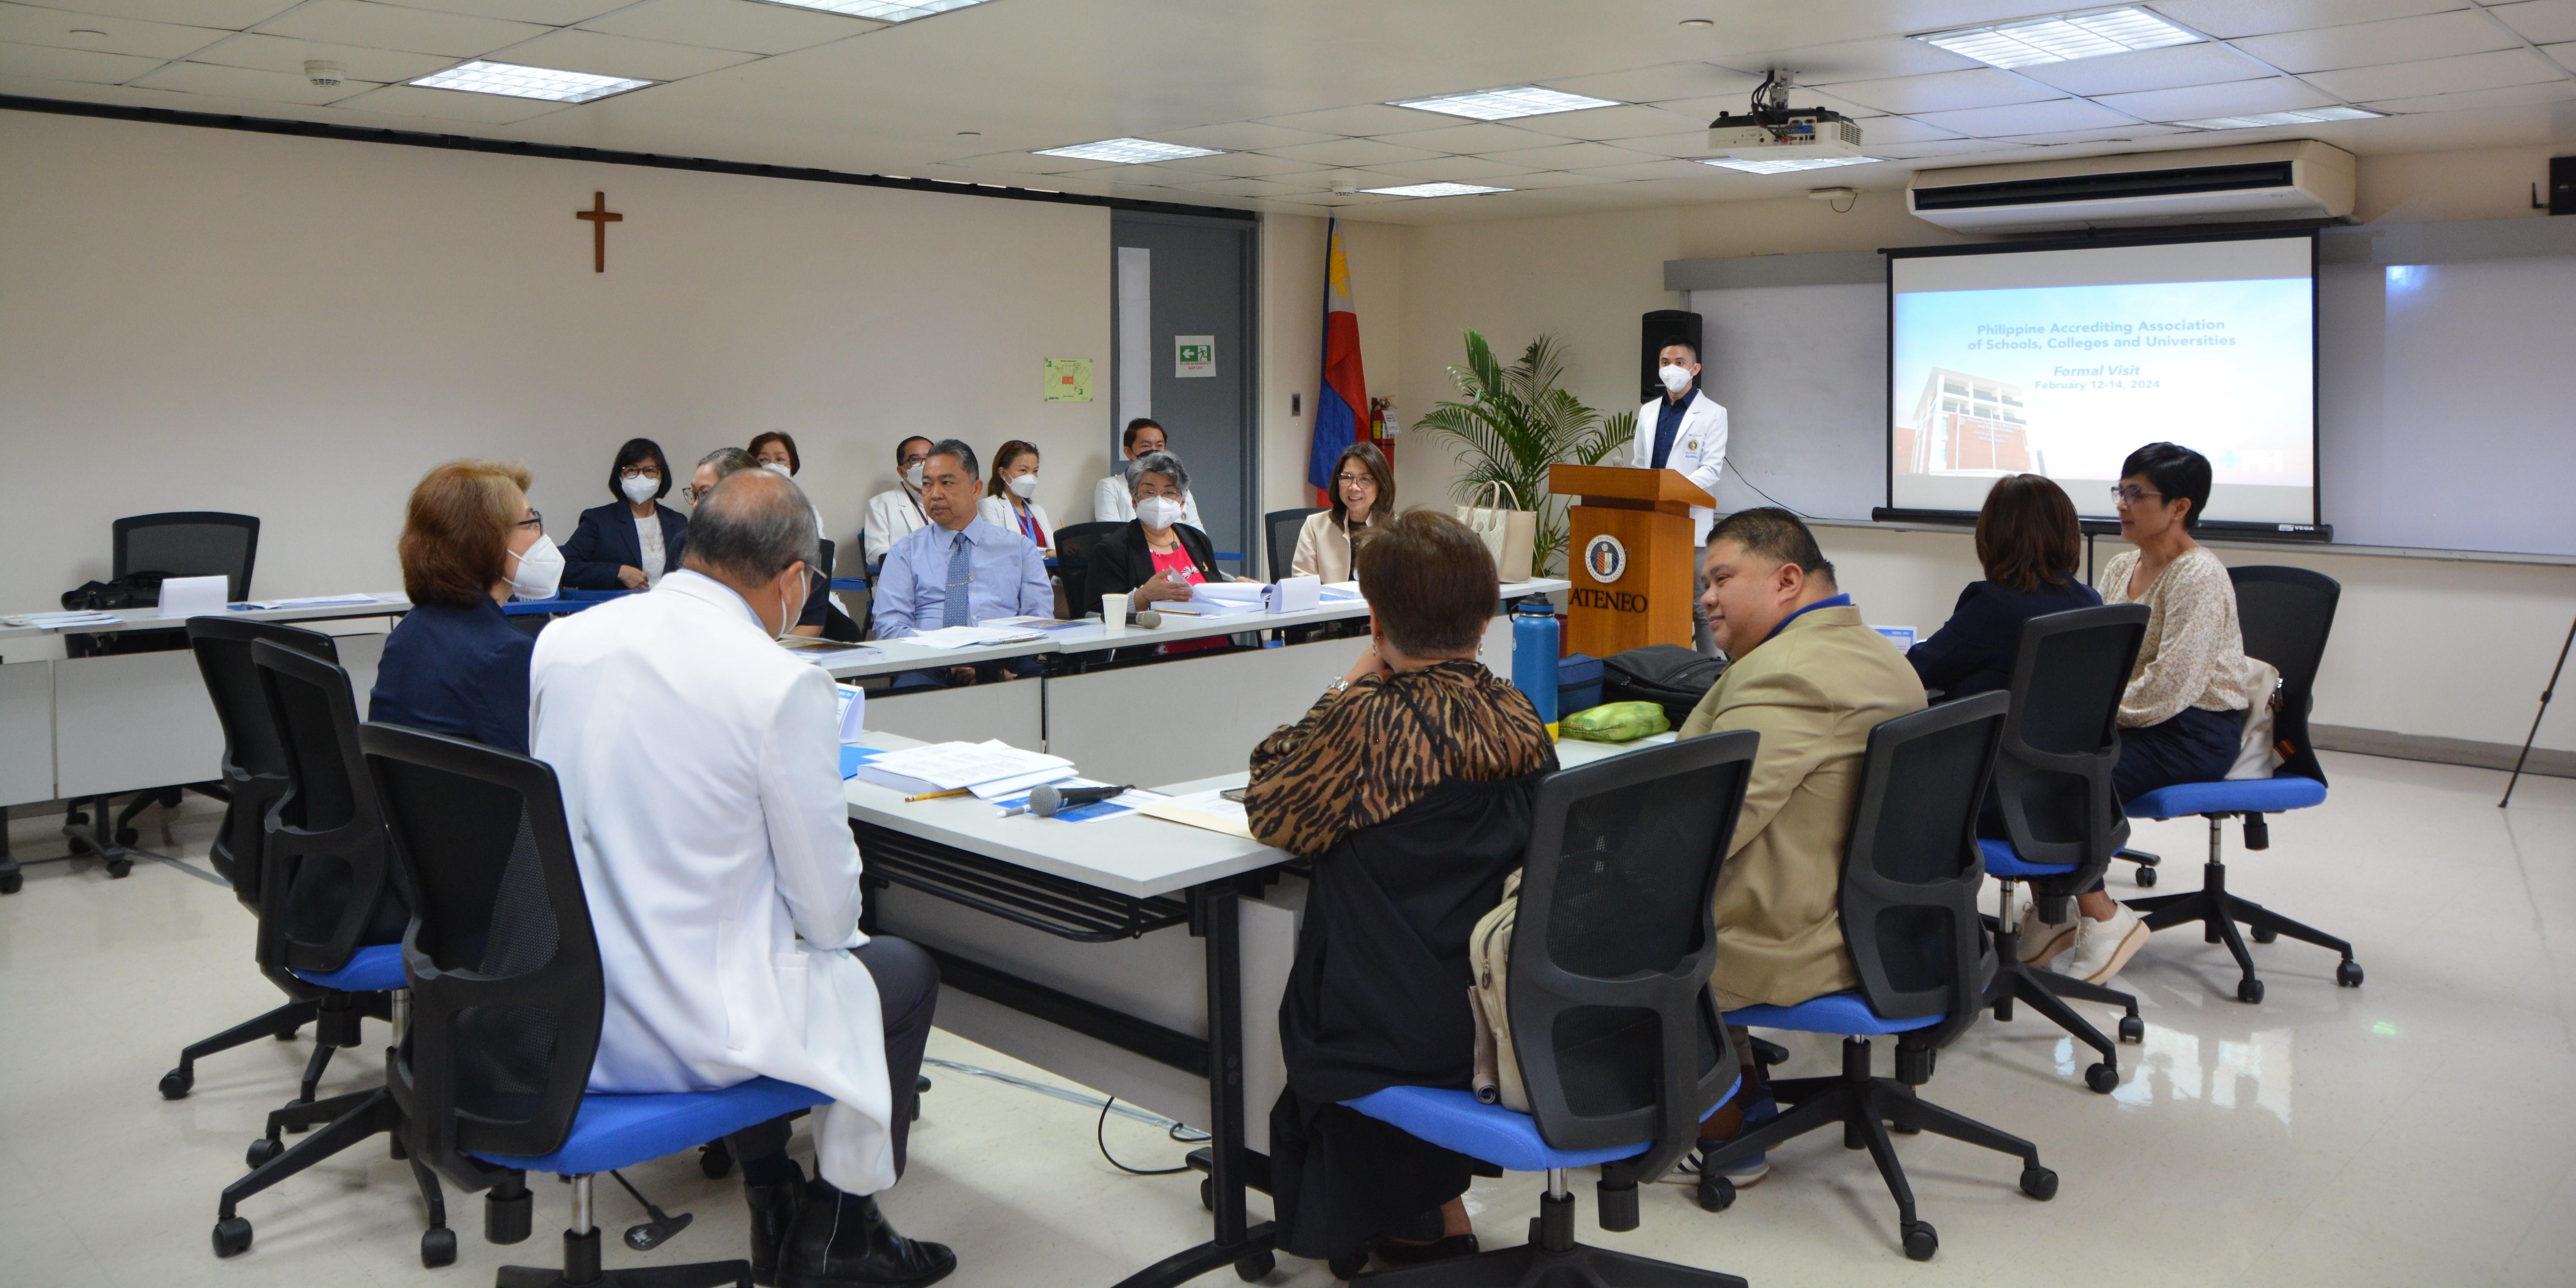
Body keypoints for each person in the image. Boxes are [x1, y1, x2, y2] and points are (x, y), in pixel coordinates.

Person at [529, 468, 953, 1288]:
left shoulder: (565, 640)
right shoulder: (779, 682)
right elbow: (830, 916)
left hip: (557, 1005)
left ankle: (771, 1191)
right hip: (683, 1025)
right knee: (897, 973)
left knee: (770, 952)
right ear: (794, 578)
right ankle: (841, 1227)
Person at [1245, 510, 1556, 1274]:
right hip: (1507, 1007)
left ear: (1376, 619)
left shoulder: (1367, 724)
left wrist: (1349, 679)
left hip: (1392, 1024)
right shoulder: (1518, 713)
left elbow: (1270, 804)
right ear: (1485, 620)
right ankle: (1434, 1208)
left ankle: (1413, 1215)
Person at [1677, 507, 1925, 1185]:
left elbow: (1700, 829)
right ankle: (1734, 1086)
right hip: (1875, 918)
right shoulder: (1875, 651)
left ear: (1788, 580)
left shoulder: (1786, 674)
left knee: (1598, 907)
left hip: (1798, 935)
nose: (1707, 597)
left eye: (1723, 577)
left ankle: (1723, 1128)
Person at [2020, 443, 2251, 985]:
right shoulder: (2124, 565)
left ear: (2179, 507)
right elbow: (2089, 654)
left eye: (2136, 494)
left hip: (2191, 732)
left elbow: (2167, 690)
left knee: (2066, 777)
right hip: (2124, 719)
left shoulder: (2199, 576)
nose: (2123, 504)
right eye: (2120, 492)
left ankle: (2104, 915)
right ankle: (2057, 911)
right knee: (2022, 764)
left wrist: (2085, 719)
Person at [368, 460, 550, 754]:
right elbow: (542, 772)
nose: (541, 537)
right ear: (486, 542)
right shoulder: (504, 652)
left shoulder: (411, 629)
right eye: (530, 523)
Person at [1906, 474, 2102, 702]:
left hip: (1978, 736)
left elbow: (1919, 671)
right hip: (2064, 738)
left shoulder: (1992, 605)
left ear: (1993, 534)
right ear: (2068, 532)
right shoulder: (2090, 602)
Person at [872, 440, 1049, 686]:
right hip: (929, 662)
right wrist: (950, 662)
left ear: (976, 490)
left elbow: (1038, 619)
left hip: (1004, 657)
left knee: (1040, 689)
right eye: (927, 485)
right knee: (913, 690)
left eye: (947, 483)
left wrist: (993, 663)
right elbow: (889, 626)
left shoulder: (1018, 549)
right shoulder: (905, 552)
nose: (935, 494)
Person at [1083, 451, 1245, 656]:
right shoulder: (1113, 549)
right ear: (1134, 501)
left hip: (1215, 646)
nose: (1159, 500)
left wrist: (1240, 591)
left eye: (1169, 492)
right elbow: (1096, 614)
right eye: (1149, 492)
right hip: (1155, 655)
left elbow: (1213, 595)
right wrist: (1143, 597)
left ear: (1182, 502)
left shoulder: (1197, 540)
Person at [1631, 340, 1728, 656]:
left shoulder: (1714, 414)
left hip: (1690, 525)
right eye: (1664, 362)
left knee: (1701, 608)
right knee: (1653, 602)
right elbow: (1640, 465)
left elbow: (1711, 471)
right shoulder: (1648, 412)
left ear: (1695, 369)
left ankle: (1710, 679)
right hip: (1651, 524)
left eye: (1679, 362)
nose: (1671, 368)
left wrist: (1670, 491)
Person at [696, 447, 831, 638]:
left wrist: (766, 653)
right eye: (694, 493)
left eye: (704, 493)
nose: (695, 504)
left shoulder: (786, 541)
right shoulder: (686, 543)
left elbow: (811, 620)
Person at [560, 437, 687, 591]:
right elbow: (566, 567)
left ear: (662, 476)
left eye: (649, 470)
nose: (641, 477)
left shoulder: (677, 522)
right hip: (618, 610)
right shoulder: (599, 521)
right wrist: (618, 572)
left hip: (668, 608)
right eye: (632, 470)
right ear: (620, 476)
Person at [1290, 441, 1393, 582]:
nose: (1354, 487)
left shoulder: (1397, 531)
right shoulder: (1315, 526)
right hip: (1327, 604)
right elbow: (1302, 584)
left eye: (1365, 479)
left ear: (1381, 485)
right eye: (1347, 478)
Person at [1093, 417, 1204, 526]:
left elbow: (1199, 536)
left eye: (1159, 445)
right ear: (1128, 452)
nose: (1154, 451)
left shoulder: (1179, 488)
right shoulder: (1110, 487)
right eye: (1146, 446)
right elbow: (1111, 535)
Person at [862, 436, 934, 569]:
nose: (925, 465)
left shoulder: (951, 501)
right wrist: (915, 560)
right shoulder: (881, 504)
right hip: (903, 582)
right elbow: (874, 554)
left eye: (930, 458)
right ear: (902, 471)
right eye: (915, 460)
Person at [974, 439, 1053, 554]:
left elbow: (1055, 549)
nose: (1031, 477)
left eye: (1035, 471)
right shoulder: (989, 506)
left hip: (1048, 573)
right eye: (1023, 470)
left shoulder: (1038, 511)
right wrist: (1047, 553)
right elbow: (1000, 549)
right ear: (1003, 473)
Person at [750, 430, 829, 538]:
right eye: (763, 459)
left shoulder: (807, 511)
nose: (772, 465)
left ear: (792, 468)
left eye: (780, 459)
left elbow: (823, 551)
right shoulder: (740, 508)